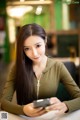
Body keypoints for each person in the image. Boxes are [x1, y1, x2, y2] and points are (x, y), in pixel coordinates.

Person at [1, 23, 80, 117]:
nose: (34, 54)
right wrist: (23, 110)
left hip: (50, 117)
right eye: (27, 49)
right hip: (25, 118)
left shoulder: (57, 66)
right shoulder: (17, 68)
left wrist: (66, 105)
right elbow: (3, 102)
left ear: (45, 40)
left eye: (38, 46)